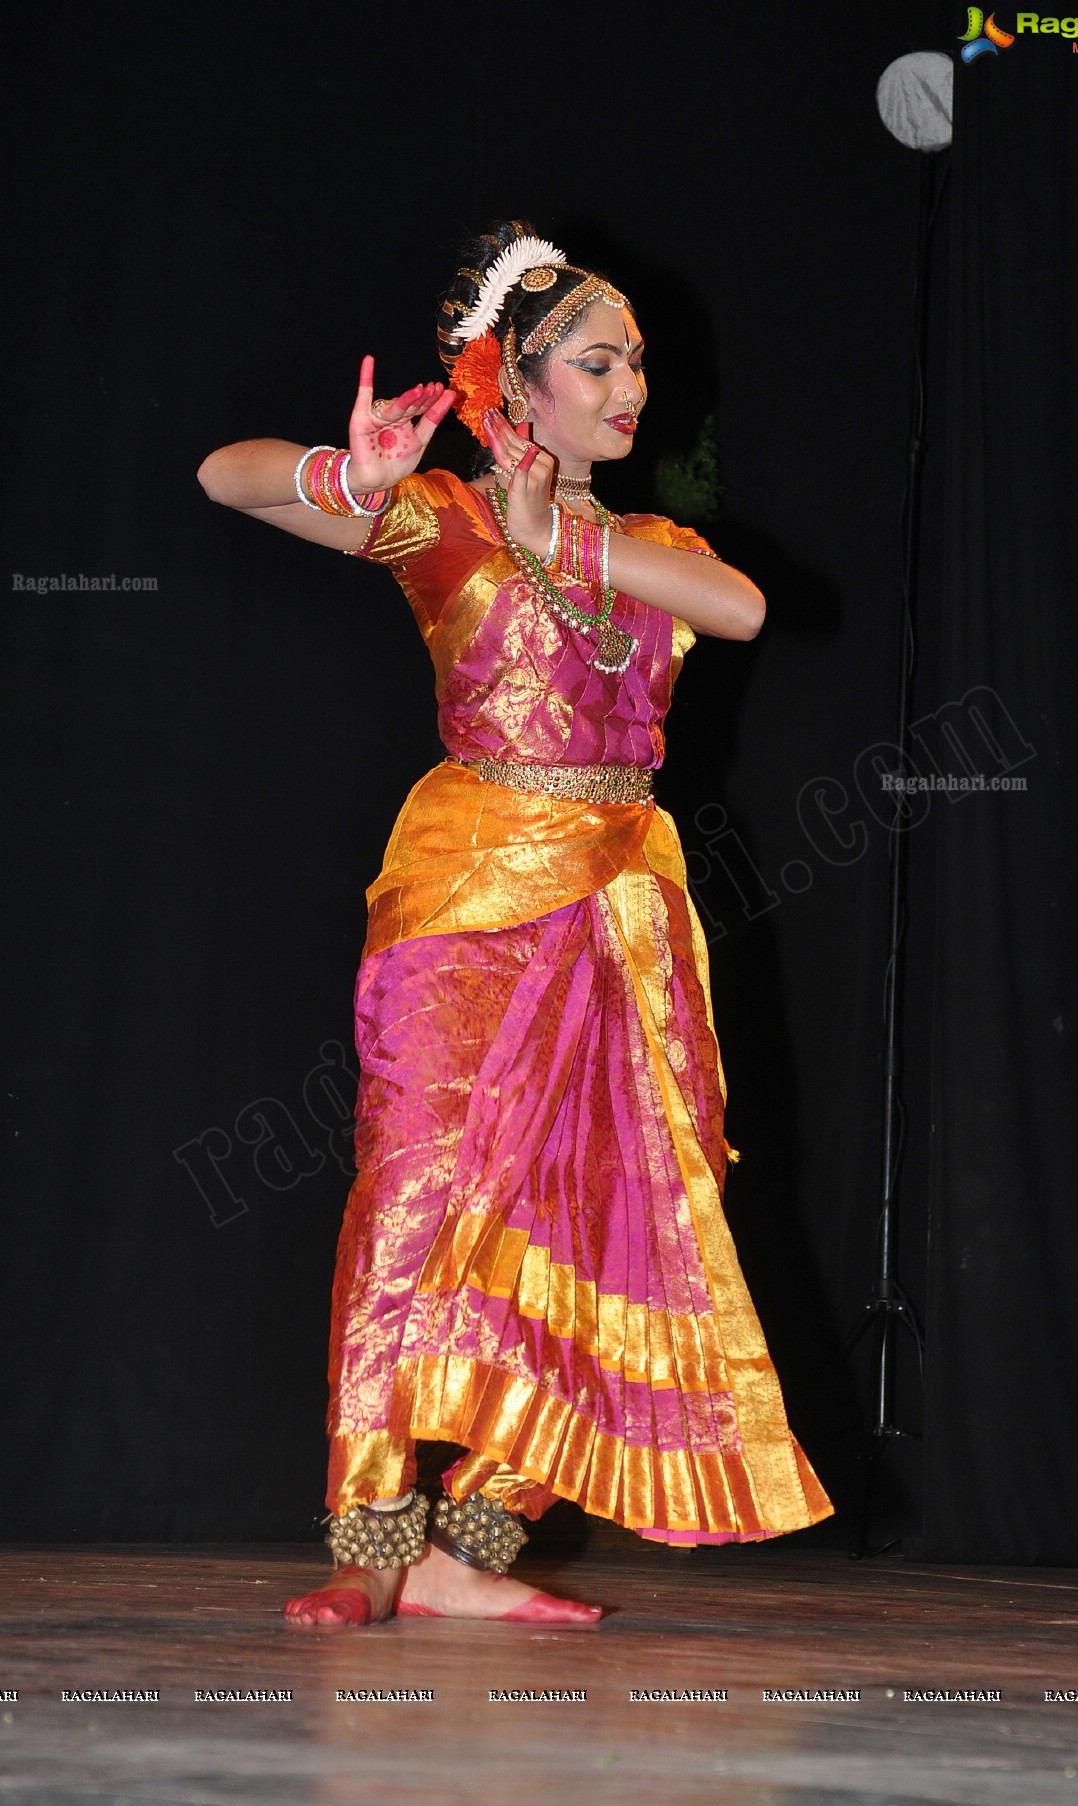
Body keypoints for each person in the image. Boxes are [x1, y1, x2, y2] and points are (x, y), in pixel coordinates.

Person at [198, 221, 833, 1628]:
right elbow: (222, 476)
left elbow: (740, 609)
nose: (631, 389)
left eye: (638, 365)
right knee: (413, 1197)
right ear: (514, 390)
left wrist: (568, 535)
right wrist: (340, 479)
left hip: (617, 905)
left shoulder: (655, 545)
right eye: (600, 364)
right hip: (463, 899)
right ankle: (370, 1535)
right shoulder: (441, 521)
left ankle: (473, 1541)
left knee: (623, 1212)